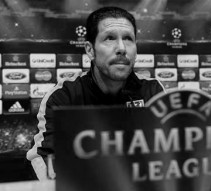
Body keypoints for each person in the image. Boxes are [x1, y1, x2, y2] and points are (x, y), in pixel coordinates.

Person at [26, 6, 165, 180]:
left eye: (128, 39)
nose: (121, 48)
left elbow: (167, 155)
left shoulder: (153, 91)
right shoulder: (64, 95)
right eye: (110, 38)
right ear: (90, 50)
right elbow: (44, 157)